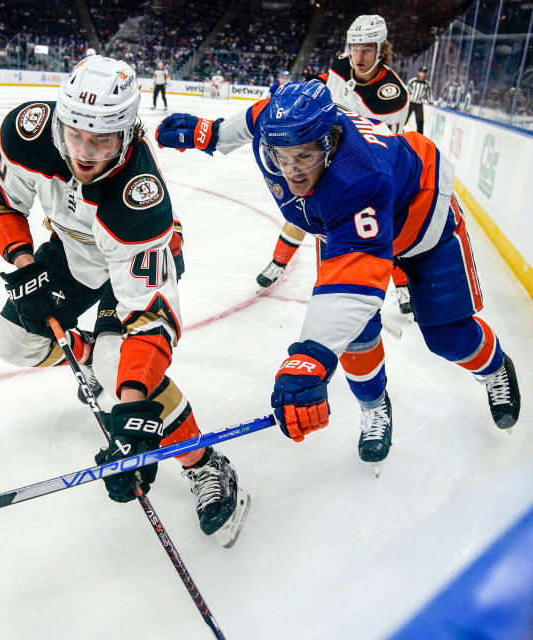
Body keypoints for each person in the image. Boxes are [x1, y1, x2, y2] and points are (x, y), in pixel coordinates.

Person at [156, 80, 521, 471]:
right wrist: (209, 134)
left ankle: (494, 366)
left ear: (329, 144)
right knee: (356, 338)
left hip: (422, 224)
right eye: (280, 156)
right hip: (345, 226)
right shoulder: (279, 130)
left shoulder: (360, 175)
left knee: (448, 335)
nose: (292, 170)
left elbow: (356, 279)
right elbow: (256, 116)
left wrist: (311, 358)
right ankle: (374, 405)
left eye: (305, 156)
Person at [0, 55, 250, 544]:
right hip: (71, 250)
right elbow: (2, 200)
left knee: (116, 366)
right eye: (75, 133)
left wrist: (130, 408)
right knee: (12, 344)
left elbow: (153, 317)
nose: (83, 152)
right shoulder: (29, 132)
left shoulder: (137, 200)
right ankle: (88, 354)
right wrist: (25, 269)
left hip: (127, 259)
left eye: (102, 138)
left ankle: (205, 461)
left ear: (127, 135)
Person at [254, 15, 413, 317]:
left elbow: (379, 148)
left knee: (384, 227)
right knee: (301, 210)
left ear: (381, 49)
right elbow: (325, 92)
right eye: (354, 48)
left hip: (365, 167)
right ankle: (278, 263)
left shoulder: (391, 95)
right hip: (328, 155)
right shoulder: (341, 66)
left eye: (366, 49)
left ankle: (401, 283)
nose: (358, 56)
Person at [407, 66, 433, 134]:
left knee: (420, 121)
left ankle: (420, 135)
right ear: (419, 73)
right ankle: (398, 131)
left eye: (424, 72)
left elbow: (429, 94)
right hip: (411, 102)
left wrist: (431, 101)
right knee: (405, 117)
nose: (423, 74)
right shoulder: (412, 81)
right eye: (421, 72)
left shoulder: (427, 84)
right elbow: (407, 90)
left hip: (419, 104)